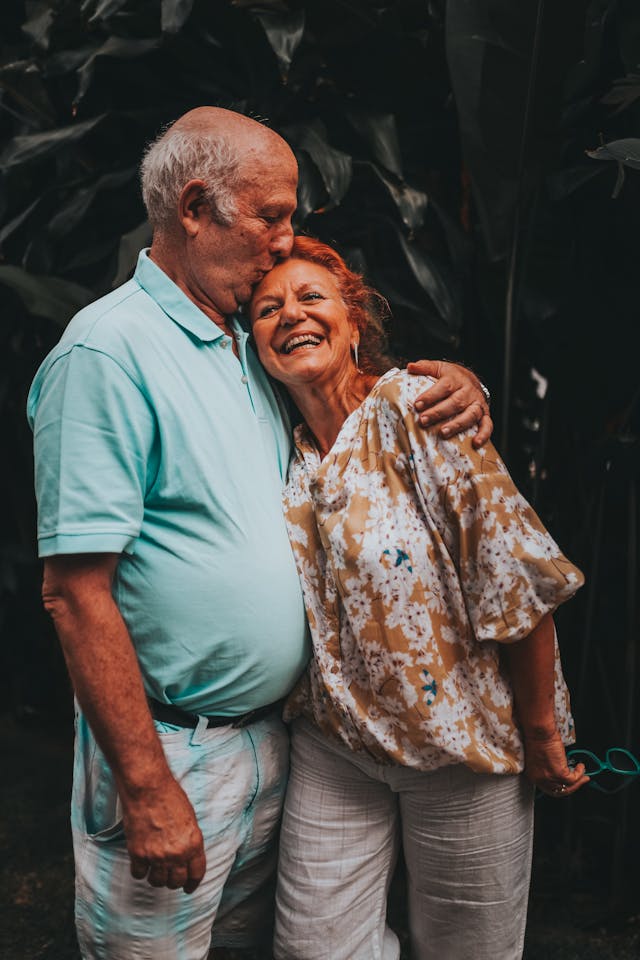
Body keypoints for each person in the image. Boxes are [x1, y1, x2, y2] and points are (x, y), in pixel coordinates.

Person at [26, 108, 491, 960]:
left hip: (280, 744)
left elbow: (351, 405)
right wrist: (146, 784)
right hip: (175, 754)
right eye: (271, 214)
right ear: (197, 207)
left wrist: (455, 383)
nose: (285, 241)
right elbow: (74, 589)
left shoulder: (247, 338)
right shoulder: (107, 353)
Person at [248, 236, 590, 960]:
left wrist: (540, 737)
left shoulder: (413, 408)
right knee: (314, 947)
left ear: (353, 321)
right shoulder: (282, 446)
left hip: (461, 748)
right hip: (336, 746)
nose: (290, 315)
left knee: (468, 950)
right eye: (267, 308)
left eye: (311, 297)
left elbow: (513, 575)